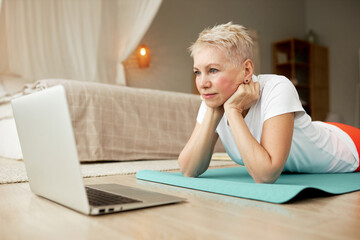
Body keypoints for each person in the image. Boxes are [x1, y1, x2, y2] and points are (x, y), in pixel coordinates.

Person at [178, 22, 360, 183]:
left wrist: (232, 110)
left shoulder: (277, 87)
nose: (202, 83)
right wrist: (213, 112)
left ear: (247, 70)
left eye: (213, 70)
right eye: (197, 72)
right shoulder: (213, 98)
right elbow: (188, 169)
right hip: (315, 132)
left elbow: (265, 174)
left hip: (349, 147)